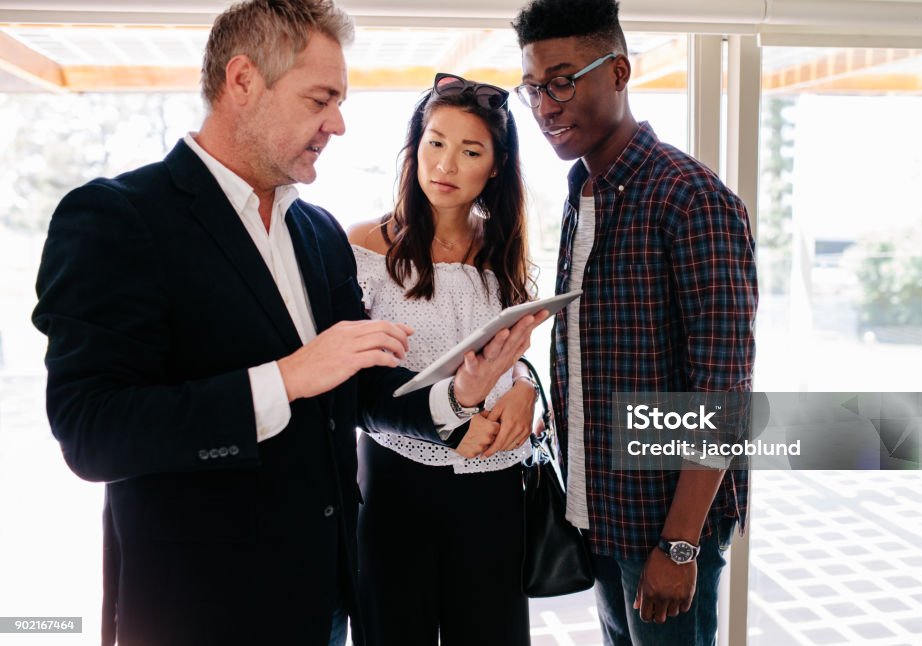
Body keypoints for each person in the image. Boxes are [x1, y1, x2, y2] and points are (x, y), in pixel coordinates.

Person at [31, 2, 541, 645]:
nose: (340, 124)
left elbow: (363, 389)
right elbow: (92, 433)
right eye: (321, 99)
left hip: (327, 603)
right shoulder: (117, 219)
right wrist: (287, 379)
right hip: (200, 613)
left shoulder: (316, 232)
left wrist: (461, 393)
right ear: (243, 81)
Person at [511, 1, 759, 644]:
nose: (545, 105)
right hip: (600, 515)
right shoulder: (582, 194)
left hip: (664, 528)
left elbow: (722, 396)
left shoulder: (691, 198)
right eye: (533, 87)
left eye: (562, 81)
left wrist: (678, 548)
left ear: (618, 72)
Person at [346, 74, 536, 646]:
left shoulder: (504, 252)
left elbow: (515, 351)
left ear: (496, 166)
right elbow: (354, 384)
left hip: (495, 487)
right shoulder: (363, 246)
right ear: (415, 146)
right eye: (435, 142)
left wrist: (525, 386)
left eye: (470, 151)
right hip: (398, 483)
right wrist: (457, 409)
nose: (446, 164)